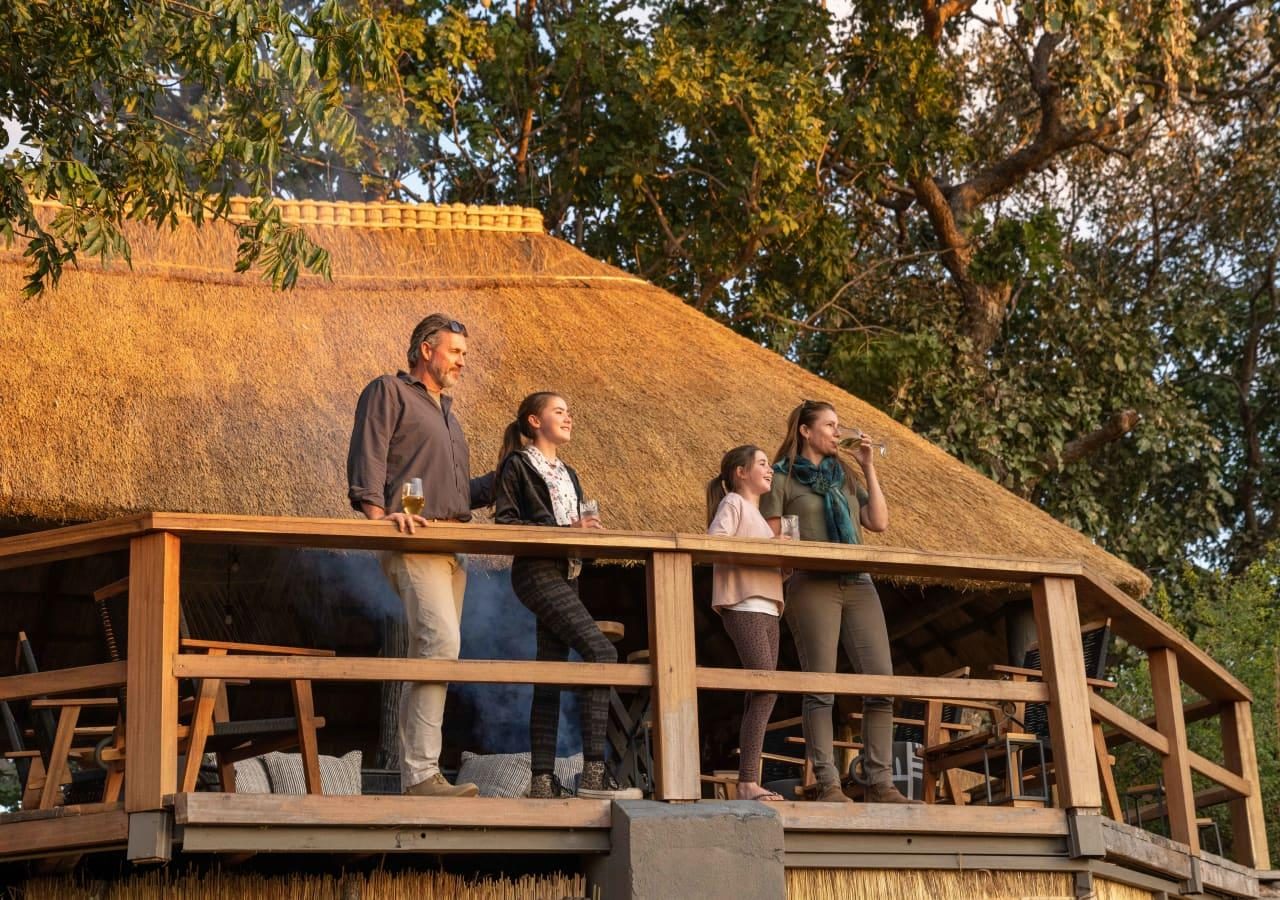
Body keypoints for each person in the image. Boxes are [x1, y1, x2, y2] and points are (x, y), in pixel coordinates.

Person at [346, 313, 494, 798]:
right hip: (415, 540)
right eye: (456, 352)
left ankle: (418, 775)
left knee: (431, 654)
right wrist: (375, 516)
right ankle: (423, 775)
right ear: (427, 349)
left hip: (454, 546)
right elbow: (369, 451)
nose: (462, 362)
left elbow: (454, 492)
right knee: (441, 646)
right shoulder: (389, 391)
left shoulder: (447, 413)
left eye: (465, 355)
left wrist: (511, 473)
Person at [760, 400, 917, 804]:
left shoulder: (842, 475)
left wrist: (868, 465)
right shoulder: (782, 478)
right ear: (806, 432)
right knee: (821, 685)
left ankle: (878, 782)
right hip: (812, 583)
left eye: (838, 425)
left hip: (858, 580)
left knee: (881, 680)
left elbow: (878, 522)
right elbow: (773, 539)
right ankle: (828, 783)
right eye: (830, 425)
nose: (837, 431)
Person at [494, 392, 641, 800]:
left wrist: (584, 532)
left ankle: (542, 780)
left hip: (569, 572)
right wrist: (566, 531)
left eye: (569, 411)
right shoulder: (518, 464)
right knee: (603, 653)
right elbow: (506, 522)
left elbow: (573, 525)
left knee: (550, 672)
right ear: (534, 421)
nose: (568, 417)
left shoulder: (569, 473)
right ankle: (594, 772)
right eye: (558, 411)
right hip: (537, 571)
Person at [706, 445, 786, 802]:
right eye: (763, 463)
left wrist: (783, 555)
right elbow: (714, 543)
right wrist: (767, 549)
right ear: (740, 472)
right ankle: (748, 781)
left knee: (762, 689)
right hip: (746, 603)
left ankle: (748, 780)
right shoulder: (734, 504)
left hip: (769, 607)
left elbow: (770, 566)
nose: (770, 469)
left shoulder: (760, 516)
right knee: (766, 689)